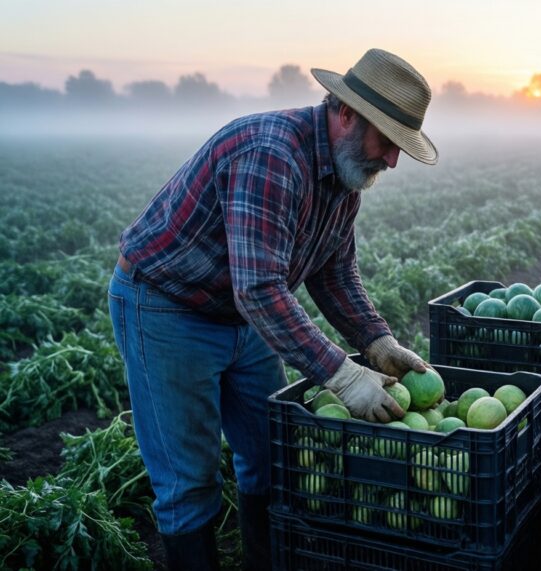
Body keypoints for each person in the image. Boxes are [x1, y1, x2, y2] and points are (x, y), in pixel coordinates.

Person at [107, 49, 437, 571]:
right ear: (347, 113)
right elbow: (260, 288)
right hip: (168, 307)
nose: (392, 160)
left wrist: (376, 341)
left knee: (269, 457)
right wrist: (343, 377)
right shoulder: (272, 154)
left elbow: (334, 271)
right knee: (189, 480)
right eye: (388, 142)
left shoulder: (345, 175)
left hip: (243, 314)